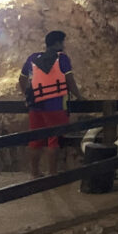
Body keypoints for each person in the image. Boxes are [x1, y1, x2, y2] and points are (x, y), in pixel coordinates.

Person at [17, 30, 83, 177]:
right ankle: (52, 172)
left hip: (35, 106)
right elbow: (69, 81)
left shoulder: (33, 58)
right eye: (63, 42)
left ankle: (35, 172)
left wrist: (27, 97)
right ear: (57, 43)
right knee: (53, 140)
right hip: (55, 105)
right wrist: (79, 97)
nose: (64, 45)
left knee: (35, 139)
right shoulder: (62, 59)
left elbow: (22, 80)